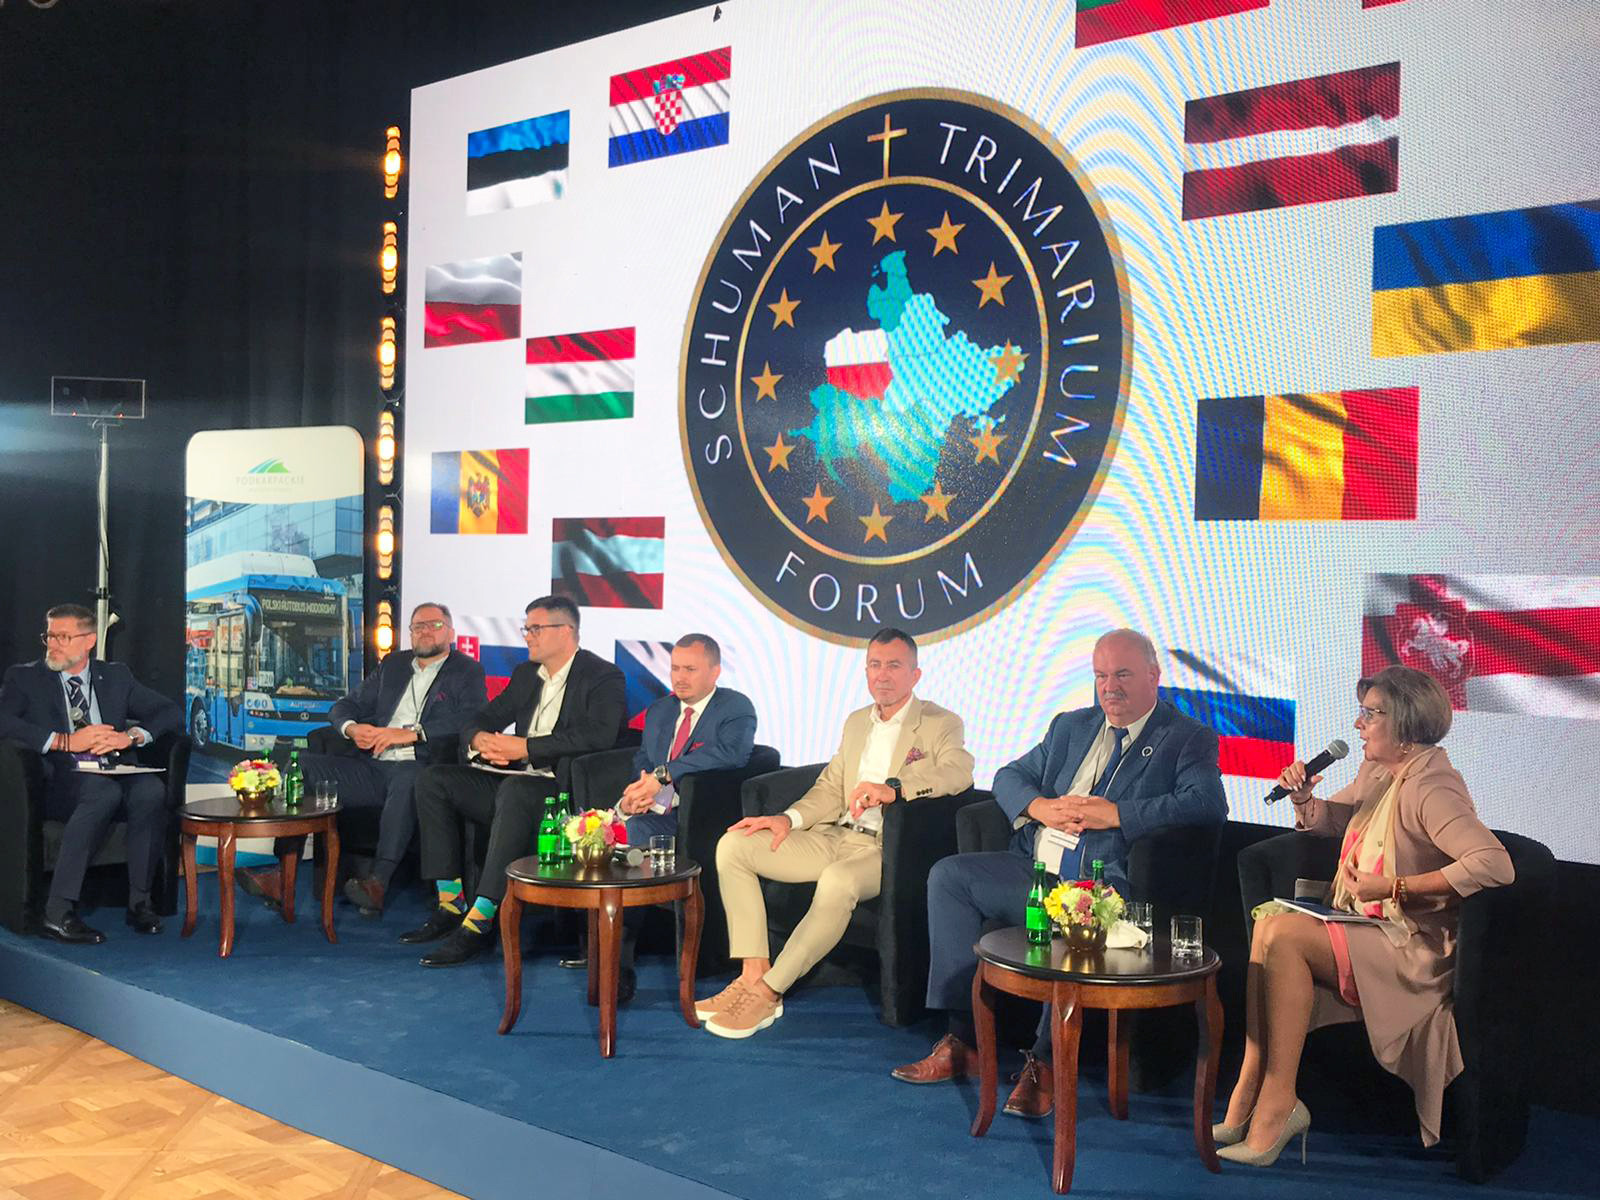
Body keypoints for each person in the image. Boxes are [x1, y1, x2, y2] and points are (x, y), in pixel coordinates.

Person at [894, 628, 1226, 1118]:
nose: (1109, 687)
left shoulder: (1185, 737)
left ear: (1154, 676)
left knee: (1076, 914)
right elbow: (1008, 776)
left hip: (1099, 883)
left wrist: (1117, 814)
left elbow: (1207, 803)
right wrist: (1040, 807)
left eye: (1122, 675)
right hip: (1035, 869)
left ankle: (1044, 1064)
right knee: (949, 876)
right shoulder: (1071, 727)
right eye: (1100, 676)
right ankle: (964, 1043)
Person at [1215, 665, 1513, 1165]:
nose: (1358, 725)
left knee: (1284, 935)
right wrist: (1304, 798)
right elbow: (1336, 818)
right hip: (1370, 926)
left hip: (1411, 945)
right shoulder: (1379, 771)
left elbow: (1494, 863)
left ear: (1404, 725)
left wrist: (1396, 886)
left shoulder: (1432, 786)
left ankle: (1278, 1104)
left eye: (1371, 714)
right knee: (1268, 922)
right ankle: (1251, 1085)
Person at [699, 627, 973, 1039]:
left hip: (885, 850)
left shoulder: (940, 722)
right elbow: (830, 787)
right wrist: (787, 819)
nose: (883, 675)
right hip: (835, 835)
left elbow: (959, 772)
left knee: (837, 880)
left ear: (915, 674)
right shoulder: (857, 722)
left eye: (894, 665)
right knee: (734, 845)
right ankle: (752, 973)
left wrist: (895, 788)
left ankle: (769, 991)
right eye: (875, 665)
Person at [400, 595, 626, 967]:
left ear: (565, 631)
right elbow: (483, 716)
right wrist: (479, 739)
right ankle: (450, 903)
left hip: (562, 790)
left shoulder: (602, 676)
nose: (527, 636)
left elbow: (599, 735)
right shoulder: (526, 674)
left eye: (535, 629)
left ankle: (480, 921)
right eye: (526, 628)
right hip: (516, 781)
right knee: (434, 779)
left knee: (516, 789)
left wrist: (525, 747)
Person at [242, 603, 487, 916]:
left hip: (421, 766)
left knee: (410, 777)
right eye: (418, 626)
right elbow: (344, 706)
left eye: (434, 625)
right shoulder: (394, 665)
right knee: (301, 766)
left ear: (450, 633)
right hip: (373, 766)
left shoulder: (467, 670)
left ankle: (377, 883)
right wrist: (351, 728)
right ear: (410, 633)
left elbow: (470, 718)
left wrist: (413, 733)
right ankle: (282, 875)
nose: (425, 631)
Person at [0, 604, 179, 943]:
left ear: (89, 641)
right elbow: (4, 720)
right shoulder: (25, 678)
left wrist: (131, 736)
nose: (53, 644)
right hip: (59, 778)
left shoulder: (116, 676)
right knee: (103, 792)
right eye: (49, 636)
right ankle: (56, 911)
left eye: (63, 637)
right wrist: (64, 741)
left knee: (151, 791)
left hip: (112, 766)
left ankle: (140, 902)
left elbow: (168, 711)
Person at [612, 632, 756, 999]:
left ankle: (621, 959)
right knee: (611, 830)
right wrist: (640, 790)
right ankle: (607, 951)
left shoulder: (734, 708)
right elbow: (644, 759)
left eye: (690, 669)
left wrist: (664, 776)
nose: (680, 677)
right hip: (657, 809)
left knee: (636, 833)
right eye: (675, 668)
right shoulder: (661, 710)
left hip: (704, 818)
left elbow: (731, 754)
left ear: (715, 672)